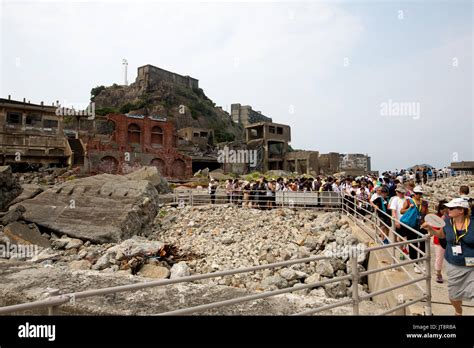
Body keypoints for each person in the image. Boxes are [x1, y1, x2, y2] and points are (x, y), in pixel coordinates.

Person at [422, 198, 474, 316]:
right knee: (453, 295)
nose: (447, 210)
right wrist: (430, 229)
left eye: (451, 208)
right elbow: (441, 235)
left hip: (472, 265)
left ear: (461, 210)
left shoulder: (473, 222)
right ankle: (458, 311)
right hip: (453, 264)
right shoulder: (447, 221)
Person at [400, 185, 429, 273]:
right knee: (413, 244)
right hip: (412, 225)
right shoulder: (409, 201)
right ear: (414, 194)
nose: (419, 195)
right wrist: (409, 208)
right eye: (417, 193)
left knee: (423, 243)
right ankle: (415, 263)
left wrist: (427, 222)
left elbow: (426, 213)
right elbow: (401, 211)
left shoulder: (424, 203)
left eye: (420, 194)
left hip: (422, 225)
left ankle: (421, 261)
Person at [389, 186, 408, 259]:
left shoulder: (408, 199)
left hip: (407, 221)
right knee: (401, 237)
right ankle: (401, 252)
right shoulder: (395, 199)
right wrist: (396, 221)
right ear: (397, 192)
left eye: (402, 192)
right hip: (399, 221)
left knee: (406, 237)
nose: (400, 193)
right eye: (399, 192)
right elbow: (393, 211)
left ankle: (404, 249)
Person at [432, 200, 448, 283]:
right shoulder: (436, 216)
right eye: (442, 209)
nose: (444, 211)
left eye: (446, 209)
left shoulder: (450, 216)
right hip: (438, 240)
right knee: (439, 258)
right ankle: (438, 274)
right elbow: (434, 229)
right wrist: (441, 221)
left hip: (448, 240)